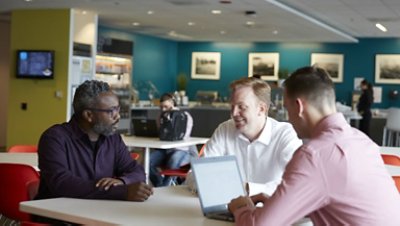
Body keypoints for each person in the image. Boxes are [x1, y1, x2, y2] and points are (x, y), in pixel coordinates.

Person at [228, 66, 400, 225]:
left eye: (287, 109)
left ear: (299, 106)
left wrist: (241, 207)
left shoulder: (314, 155)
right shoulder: (362, 142)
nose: (288, 118)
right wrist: (284, 205)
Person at [34, 80, 153, 222]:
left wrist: (122, 181)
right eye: (111, 111)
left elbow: (137, 172)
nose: (118, 116)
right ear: (89, 115)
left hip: (99, 215)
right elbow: (62, 184)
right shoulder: (54, 138)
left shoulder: (113, 139)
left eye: (118, 109)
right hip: (58, 218)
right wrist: (122, 192)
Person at [201, 77, 302, 195]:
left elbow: (297, 182)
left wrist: (248, 188)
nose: (234, 114)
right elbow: (196, 175)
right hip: (227, 208)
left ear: (261, 109)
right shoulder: (225, 129)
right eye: (232, 106)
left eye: (241, 107)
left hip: (269, 209)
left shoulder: (284, 134)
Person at [149, 93, 197, 187]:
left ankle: (165, 186)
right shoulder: (161, 118)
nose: (163, 109)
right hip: (165, 150)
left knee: (173, 161)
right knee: (148, 161)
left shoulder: (185, 116)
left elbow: (182, 137)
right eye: (161, 107)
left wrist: (173, 116)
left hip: (182, 150)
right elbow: (162, 136)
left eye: (166, 107)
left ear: (173, 104)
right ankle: (159, 185)